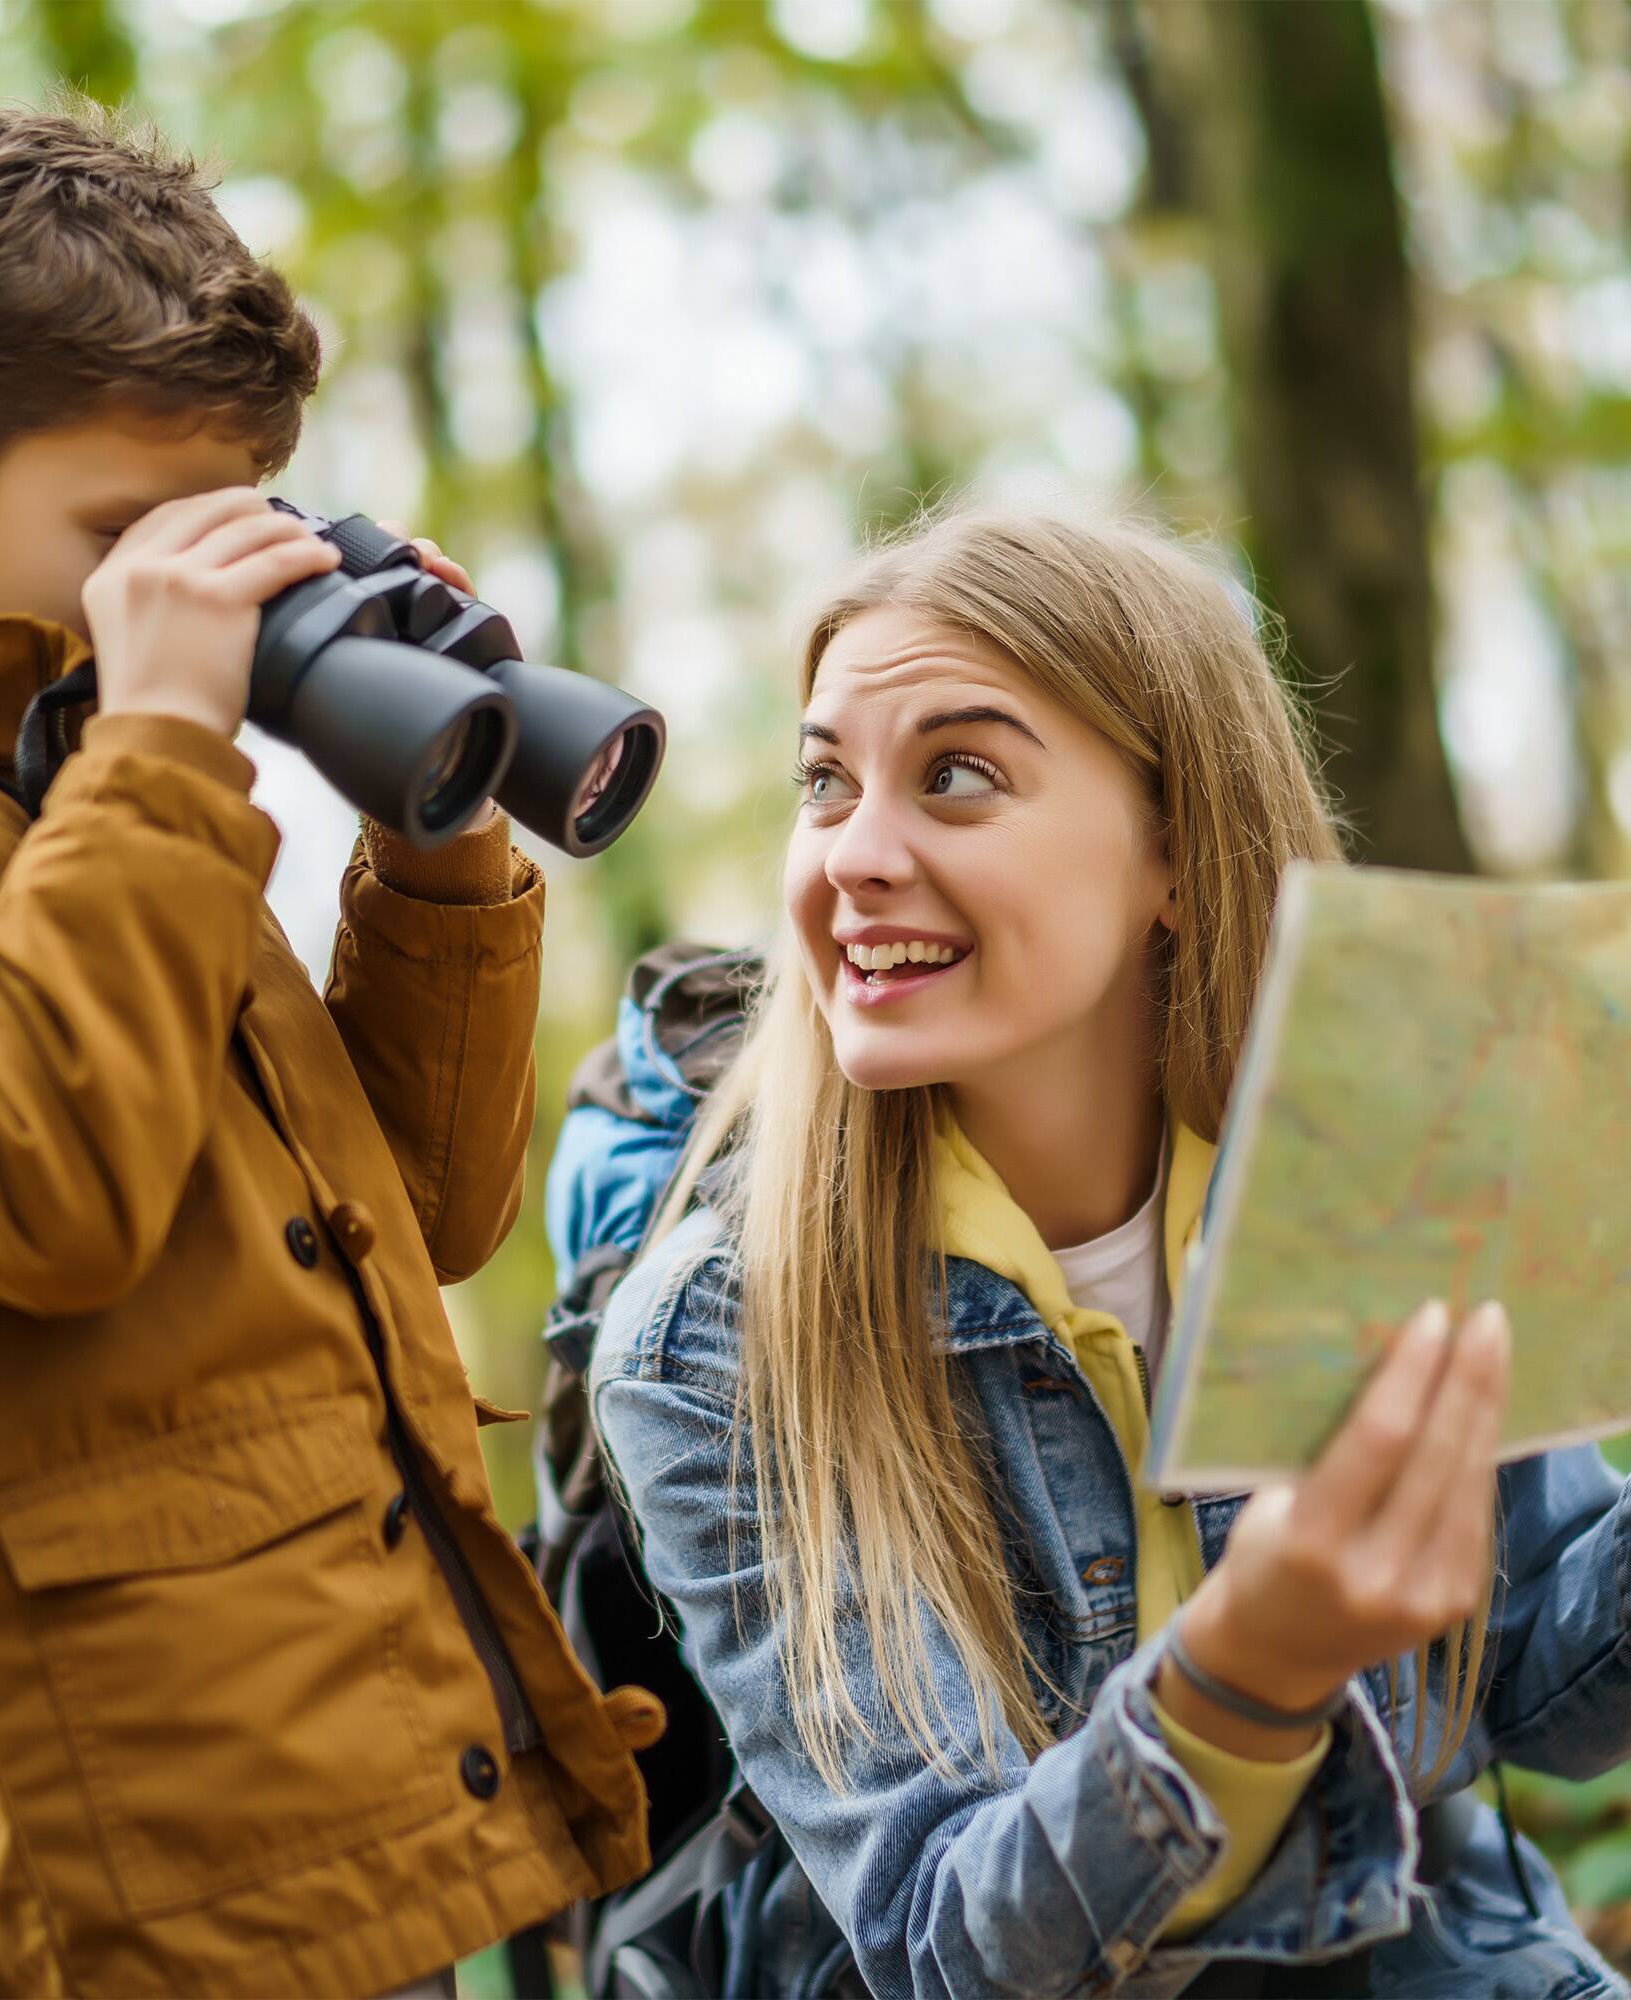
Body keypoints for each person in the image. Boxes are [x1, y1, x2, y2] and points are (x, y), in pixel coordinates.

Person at [0, 99, 657, 1999]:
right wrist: (171, 752)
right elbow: (35, 1190)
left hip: (369, 1801)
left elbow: (418, 1212)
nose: (171, 598)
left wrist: (438, 825)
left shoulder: (87, 795)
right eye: (122, 534)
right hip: (138, 1901)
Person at [585, 504, 1631, 1998]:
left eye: (956, 776)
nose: (855, 854)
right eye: (824, 783)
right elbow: (948, 1949)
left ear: (1178, 857)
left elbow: (1538, 1679)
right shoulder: (716, 1344)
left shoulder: (1392, 1172)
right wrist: (1243, 1676)